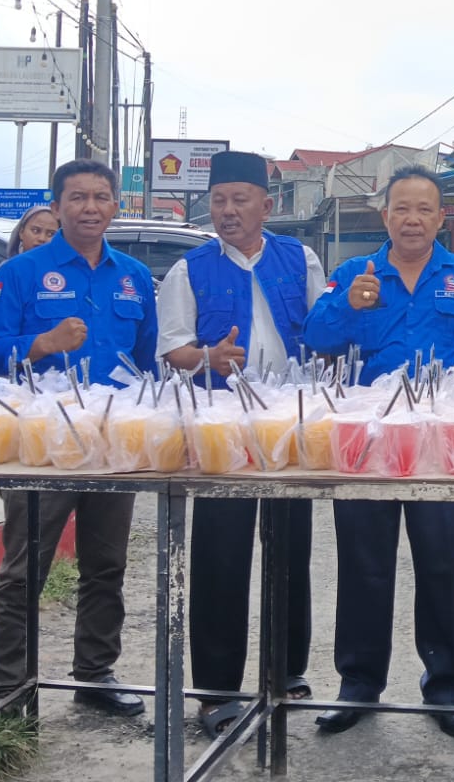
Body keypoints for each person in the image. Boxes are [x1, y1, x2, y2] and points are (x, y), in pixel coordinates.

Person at [301, 164, 454, 739]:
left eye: (425, 208)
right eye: (402, 208)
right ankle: (358, 684)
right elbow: (317, 336)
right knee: (363, 566)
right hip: (368, 449)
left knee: (443, 566)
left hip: (439, 450)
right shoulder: (356, 272)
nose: (413, 219)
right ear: (385, 215)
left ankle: (447, 688)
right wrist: (349, 304)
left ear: (441, 217)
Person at [0, 159, 158, 715]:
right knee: (25, 565)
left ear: (115, 207)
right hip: (42, 443)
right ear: (56, 208)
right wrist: (44, 342)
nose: (90, 208)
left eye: (101, 197)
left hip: (111, 441)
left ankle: (95, 673)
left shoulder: (134, 277)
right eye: (77, 198)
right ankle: (9, 689)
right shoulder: (23, 272)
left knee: (106, 564)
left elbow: (145, 363)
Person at [155, 151, 326, 736]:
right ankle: (217, 688)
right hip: (222, 427)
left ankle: (287, 670)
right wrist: (208, 357)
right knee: (220, 554)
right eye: (219, 201)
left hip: (287, 425)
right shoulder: (189, 269)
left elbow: (323, 329)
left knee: (290, 546)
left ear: (266, 205)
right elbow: (172, 350)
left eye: (240, 200)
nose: (227, 212)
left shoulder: (299, 258)